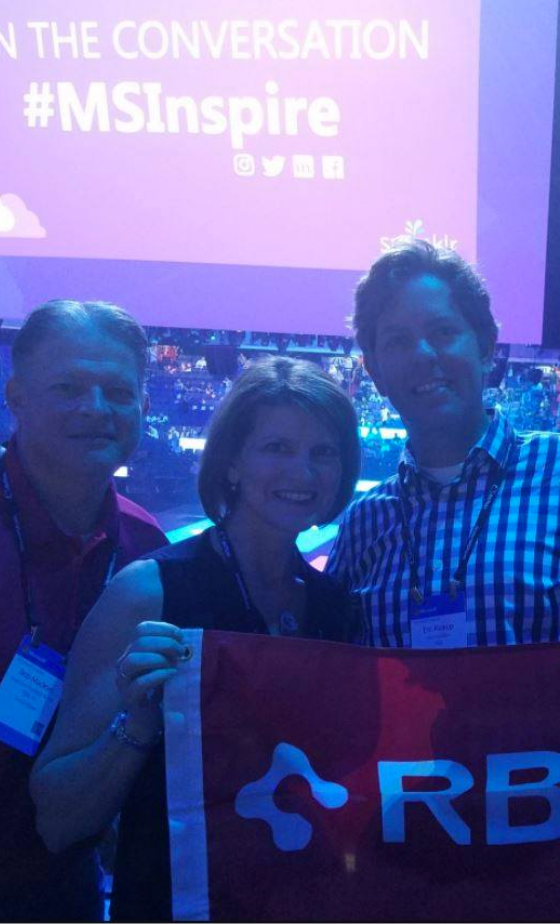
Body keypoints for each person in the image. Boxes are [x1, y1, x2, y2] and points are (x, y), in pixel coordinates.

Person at [31, 355, 361, 921]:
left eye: (322, 453)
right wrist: (136, 724)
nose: (303, 473)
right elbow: (57, 818)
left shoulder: (338, 612)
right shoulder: (150, 594)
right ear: (231, 462)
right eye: (277, 448)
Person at [328, 240, 560, 648]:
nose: (424, 353)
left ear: (485, 346)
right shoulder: (362, 524)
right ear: (374, 371)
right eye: (397, 340)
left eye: (443, 331)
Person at [0, 300, 167, 920]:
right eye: (69, 387)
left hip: (61, 876)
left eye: (118, 392)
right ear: (16, 397)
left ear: (143, 407)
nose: (96, 409)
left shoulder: (145, 549)